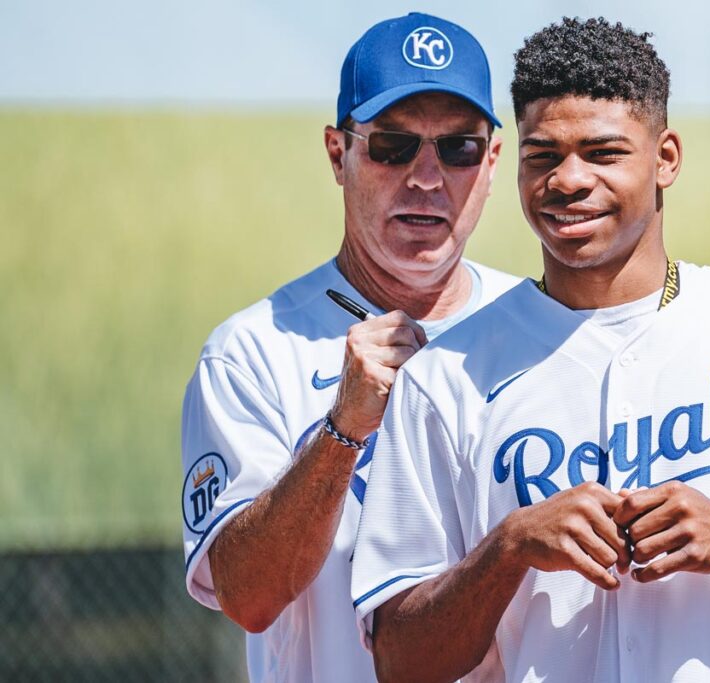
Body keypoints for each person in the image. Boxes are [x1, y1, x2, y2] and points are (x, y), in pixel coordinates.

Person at [350, 17, 710, 683]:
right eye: (543, 155)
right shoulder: (446, 377)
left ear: (666, 157)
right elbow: (401, 659)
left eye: (603, 152)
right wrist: (508, 547)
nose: (568, 179)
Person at [179, 12, 519, 682]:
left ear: (492, 162)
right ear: (339, 153)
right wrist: (343, 429)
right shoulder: (254, 350)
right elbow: (248, 597)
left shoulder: (541, 328)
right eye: (393, 146)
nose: (427, 177)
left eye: (458, 149)